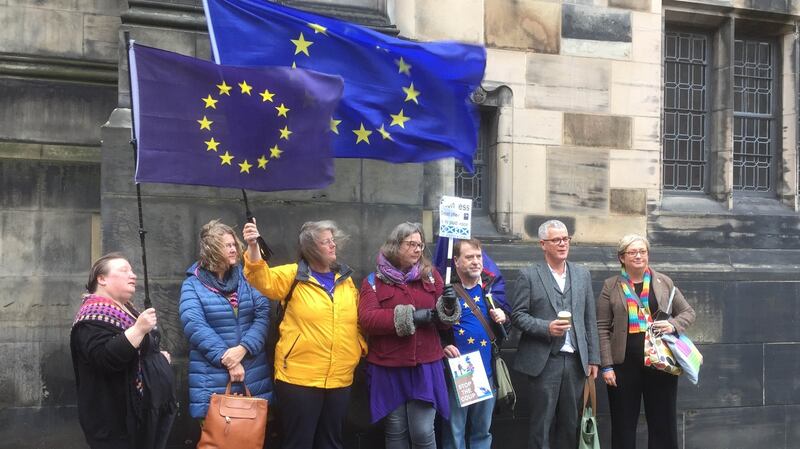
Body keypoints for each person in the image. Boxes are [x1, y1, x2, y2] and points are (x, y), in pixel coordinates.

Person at [242, 219, 366, 449]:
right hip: (300, 379)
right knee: (299, 443)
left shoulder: (346, 281)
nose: (333, 246)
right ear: (311, 248)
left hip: (340, 377)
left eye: (333, 240)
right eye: (326, 242)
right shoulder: (293, 275)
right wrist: (252, 245)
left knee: (331, 443)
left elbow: (356, 319)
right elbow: (261, 278)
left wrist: (357, 346)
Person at [358, 222, 461, 449]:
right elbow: (367, 319)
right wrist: (411, 317)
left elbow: (444, 325)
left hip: (425, 366)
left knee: (423, 432)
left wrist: (450, 308)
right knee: (395, 431)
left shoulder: (431, 276)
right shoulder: (373, 282)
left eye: (420, 244)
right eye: (411, 244)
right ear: (395, 245)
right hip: (389, 366)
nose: (417, 249)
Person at [596, 234, 696, 449]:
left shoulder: (664, 282)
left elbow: (687, 312)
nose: (639, 256)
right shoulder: (611, 286)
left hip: (661, 363)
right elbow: (602, 327)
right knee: (623, 425)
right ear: (622, 258)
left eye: (643, 251)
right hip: (623, 366)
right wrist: (606, 366)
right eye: (633, 252)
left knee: (663, 424)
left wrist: (673, 325)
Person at [71, 253, 176, 449]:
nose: (133, 275)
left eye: (133, 270)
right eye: (124, 270)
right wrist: (138, 329)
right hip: (118, 421)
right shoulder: (91, 317)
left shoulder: (126, 309)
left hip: (149, 413)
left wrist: (157, 358)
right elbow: (104, 357)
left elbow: (141, 350)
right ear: (101, 279)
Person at [510, 219, 600, 449]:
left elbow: (590, 319)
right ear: (543, 244)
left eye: (566, 239)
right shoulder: (528, 275)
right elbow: (517, 316)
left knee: (570, 423)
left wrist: (593, 358)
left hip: (575, 361)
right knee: (541, 424)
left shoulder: (582, 275)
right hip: (544, 361)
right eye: (556, 240)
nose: (563, 244)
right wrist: (545, 327)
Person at [179, 220, 273, 421]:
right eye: (227, 245)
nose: (234, 249)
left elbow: (263, 312)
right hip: (212, 377)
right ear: (212, 249)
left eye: (234, 244)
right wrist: (228, 359)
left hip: (253, 373)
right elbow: (194, 325)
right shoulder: (192, 285)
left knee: (251, 439)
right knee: (218, 438)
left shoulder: (247, 276)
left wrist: (244, 348)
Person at [440, 238, 510, 449]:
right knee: (455, 431)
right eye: (469, 257)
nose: (475, 261)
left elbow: (507, 328)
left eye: (478, 256)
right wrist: (442, 345)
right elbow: (434, 328)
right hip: (459, 370)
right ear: (457, 262)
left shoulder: (489, 291)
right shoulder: (447, 292)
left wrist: (504, 317)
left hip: (486, 371)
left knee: (482, 430)